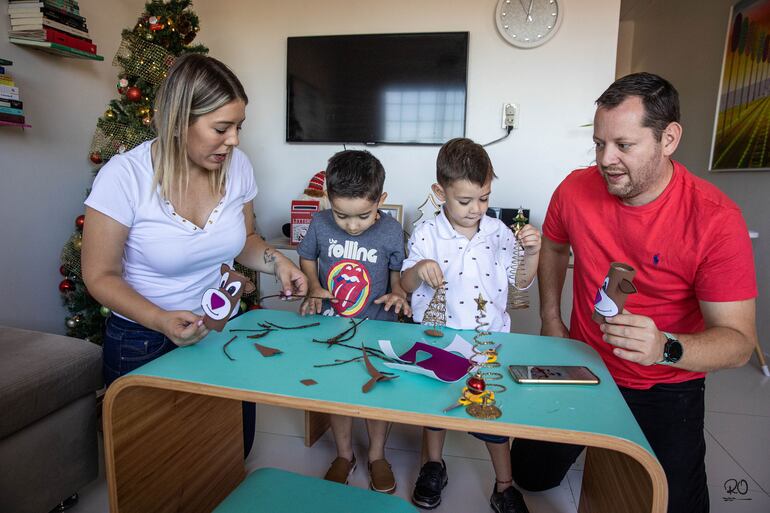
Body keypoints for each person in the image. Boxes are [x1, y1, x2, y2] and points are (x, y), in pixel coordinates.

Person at [511, 72, 758, 513]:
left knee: (674, 506)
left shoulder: (716, 220)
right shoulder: (574, 188)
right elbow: (553, 244)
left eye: (624, 145)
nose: (606, 159)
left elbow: (739, 343)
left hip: (666, 383)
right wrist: (551, 317)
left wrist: (665, 347)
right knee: (529, 475)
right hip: (583, 367)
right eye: (599, 143)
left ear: (669, 139)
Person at [81, 54, 307, 453]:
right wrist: (161, 319)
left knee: (232, 451)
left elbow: (246, 240)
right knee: (155, 467)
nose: (234, 140)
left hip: (218, 329)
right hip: (142, 339)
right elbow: (99, 275)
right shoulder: (124, 177)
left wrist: (279, 262)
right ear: (178, 120)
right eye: (222, 128)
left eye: (239, 127)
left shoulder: (238, 168)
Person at [401, 138, 541, 513]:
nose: (476, 209)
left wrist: (533, 252)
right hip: (437, 338)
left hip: (487, 342)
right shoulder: (426, 232)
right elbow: (405, 284)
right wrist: (417, 271)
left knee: (491, 414)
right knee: (435, 409)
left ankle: (504, 485)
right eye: (465, 201)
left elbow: (522, 282)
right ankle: (433, 466)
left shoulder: (498, 232)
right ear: (439, 192)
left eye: (484, 198)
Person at [297, 150, 411, 494]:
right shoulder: (319, 223)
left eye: (362, 216)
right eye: (342, 216)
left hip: (379, 325)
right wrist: (314, 286)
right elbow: (306, 257)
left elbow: (396, 272)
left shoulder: (392, 231)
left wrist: (397, 294)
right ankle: (344, 455)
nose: (351, 226)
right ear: (329, 200)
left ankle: (377, 455)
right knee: (338, 393)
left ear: (381, 200)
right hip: (332, 326)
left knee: (378, 392)